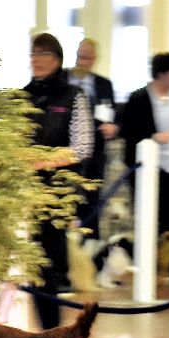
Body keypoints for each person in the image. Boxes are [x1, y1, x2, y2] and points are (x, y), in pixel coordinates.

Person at [23, 32, 94, 331]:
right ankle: (39, 335)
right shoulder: (21, 95)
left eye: (45, 55)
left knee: (50, 265)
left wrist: (44, 160)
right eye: (34, 54)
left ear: (58, 60)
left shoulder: (73, 96)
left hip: (56, 193)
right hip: (23, 193)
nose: (38, 61)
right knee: (32, 268)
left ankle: (51, 334)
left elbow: (83, 146)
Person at [119, 52, 169, 237]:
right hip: (154, 168)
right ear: (162, 74)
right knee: (152, 220)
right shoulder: (139, 98)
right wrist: (154, 137)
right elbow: (129, 133)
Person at [68, 38, 118, 236]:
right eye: (80, 57)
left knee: (92, 199)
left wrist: (113, 127)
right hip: (67, 151)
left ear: (94, 59)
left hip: (95, 152)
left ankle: (90, 242)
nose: (83, 62)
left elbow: (113, 114)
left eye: (87, 58)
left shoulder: (104, 84)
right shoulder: (64, 79)